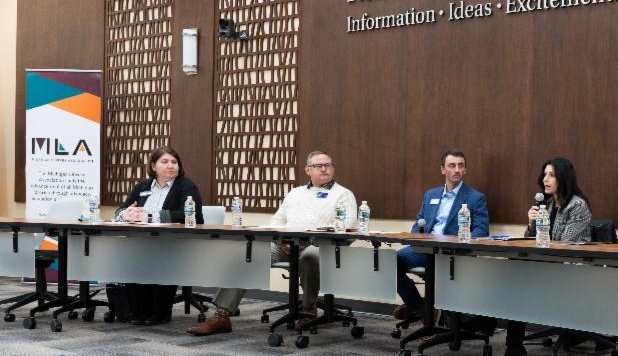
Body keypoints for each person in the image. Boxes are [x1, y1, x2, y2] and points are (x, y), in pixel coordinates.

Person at [186, 150, 357, 336]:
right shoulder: (295, 193)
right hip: (285, 245)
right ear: (308, 170)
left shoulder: (343, 194)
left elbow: (345, 225)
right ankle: (222, 315)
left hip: (320, 246)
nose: (324, 169)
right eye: (318, 166)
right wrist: (279, 238)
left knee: (310, 255)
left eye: (328, 165)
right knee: (248, 256)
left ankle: (308, 310)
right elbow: (276, 221)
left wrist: (310, 240)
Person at [496, 157, 592, 356]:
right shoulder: (546, 204)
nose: (545, 179)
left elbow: (563, 244)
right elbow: (531, 241)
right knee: (515, 278)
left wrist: (540, 230)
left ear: (563, 178)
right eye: (544, 174)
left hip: (571, 269)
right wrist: (531, 224)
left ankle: (515, 346)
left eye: (551, 175)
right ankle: (514, 347)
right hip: (549, 265)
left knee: (519, 282)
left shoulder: (577, 206)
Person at [113, 146, 205, 325]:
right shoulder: (142, 186)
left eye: (174, 162)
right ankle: (139, 311)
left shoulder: (186, 186)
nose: (171, 166)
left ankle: (161, 312)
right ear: (153, 166)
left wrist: (150, 216)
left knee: (159, 256)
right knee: (132, 255)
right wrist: (126, 214)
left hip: (171, 241)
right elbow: (121, 209)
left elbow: (193, 216)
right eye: (165, 162)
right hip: (140, 240)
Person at [394, 150, 489, 323]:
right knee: (391, 262)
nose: (457, 170)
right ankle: (420, 307)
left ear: (465, 170)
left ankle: (429, 312)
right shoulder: (431, 195)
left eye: (461, 166)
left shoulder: (476, 198)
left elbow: (482, 231)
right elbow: (418, 224)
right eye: (452, 166)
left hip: (451, 251)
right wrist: (419, 235)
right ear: (443, 170)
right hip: (425, 249)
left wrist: (459, 241)